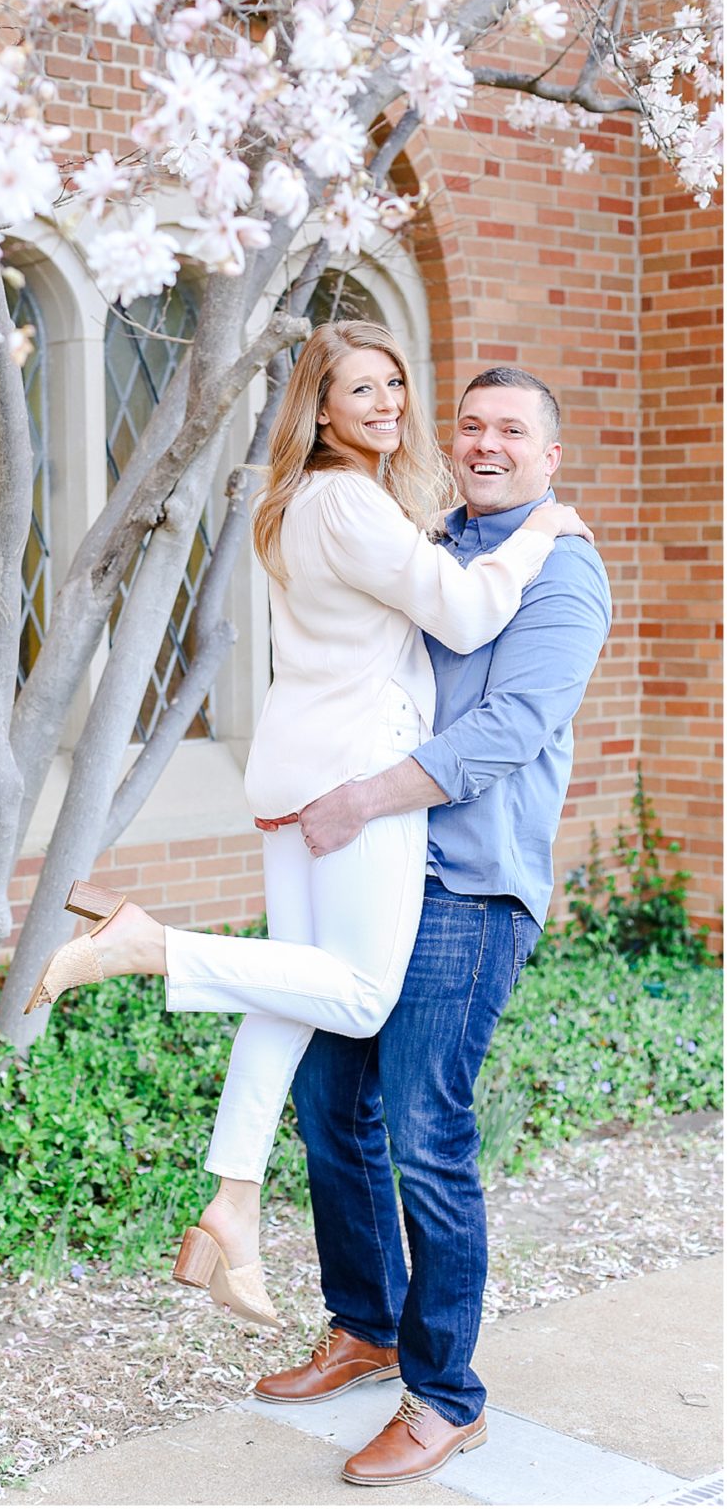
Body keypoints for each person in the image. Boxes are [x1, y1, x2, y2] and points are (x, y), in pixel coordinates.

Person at [24, 325, 589, 1332]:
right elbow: (460, 620)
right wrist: (547, 531)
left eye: (396, 385)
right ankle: (150, 945)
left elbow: (508, 709)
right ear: (318, 409)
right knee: (361, 1001)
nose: (386, 404)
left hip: (301, 776)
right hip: (352, 780)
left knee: (288, 1001)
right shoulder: (358, 502)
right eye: (360, 388)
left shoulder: (309, 503)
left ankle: (233, 1202)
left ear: (549, 451)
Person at [250, 365, 612, 1489]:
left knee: (422, 1125)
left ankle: (447, 1393)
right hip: (376, 870)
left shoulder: (561, 567)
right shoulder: (424, 538)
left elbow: (508, 727)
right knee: (328, 1104)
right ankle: (364, 1323)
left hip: (466, 883)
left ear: (550, 458)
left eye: (514, 429)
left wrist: (359, 795)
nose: (486, 441)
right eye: (472, 423)